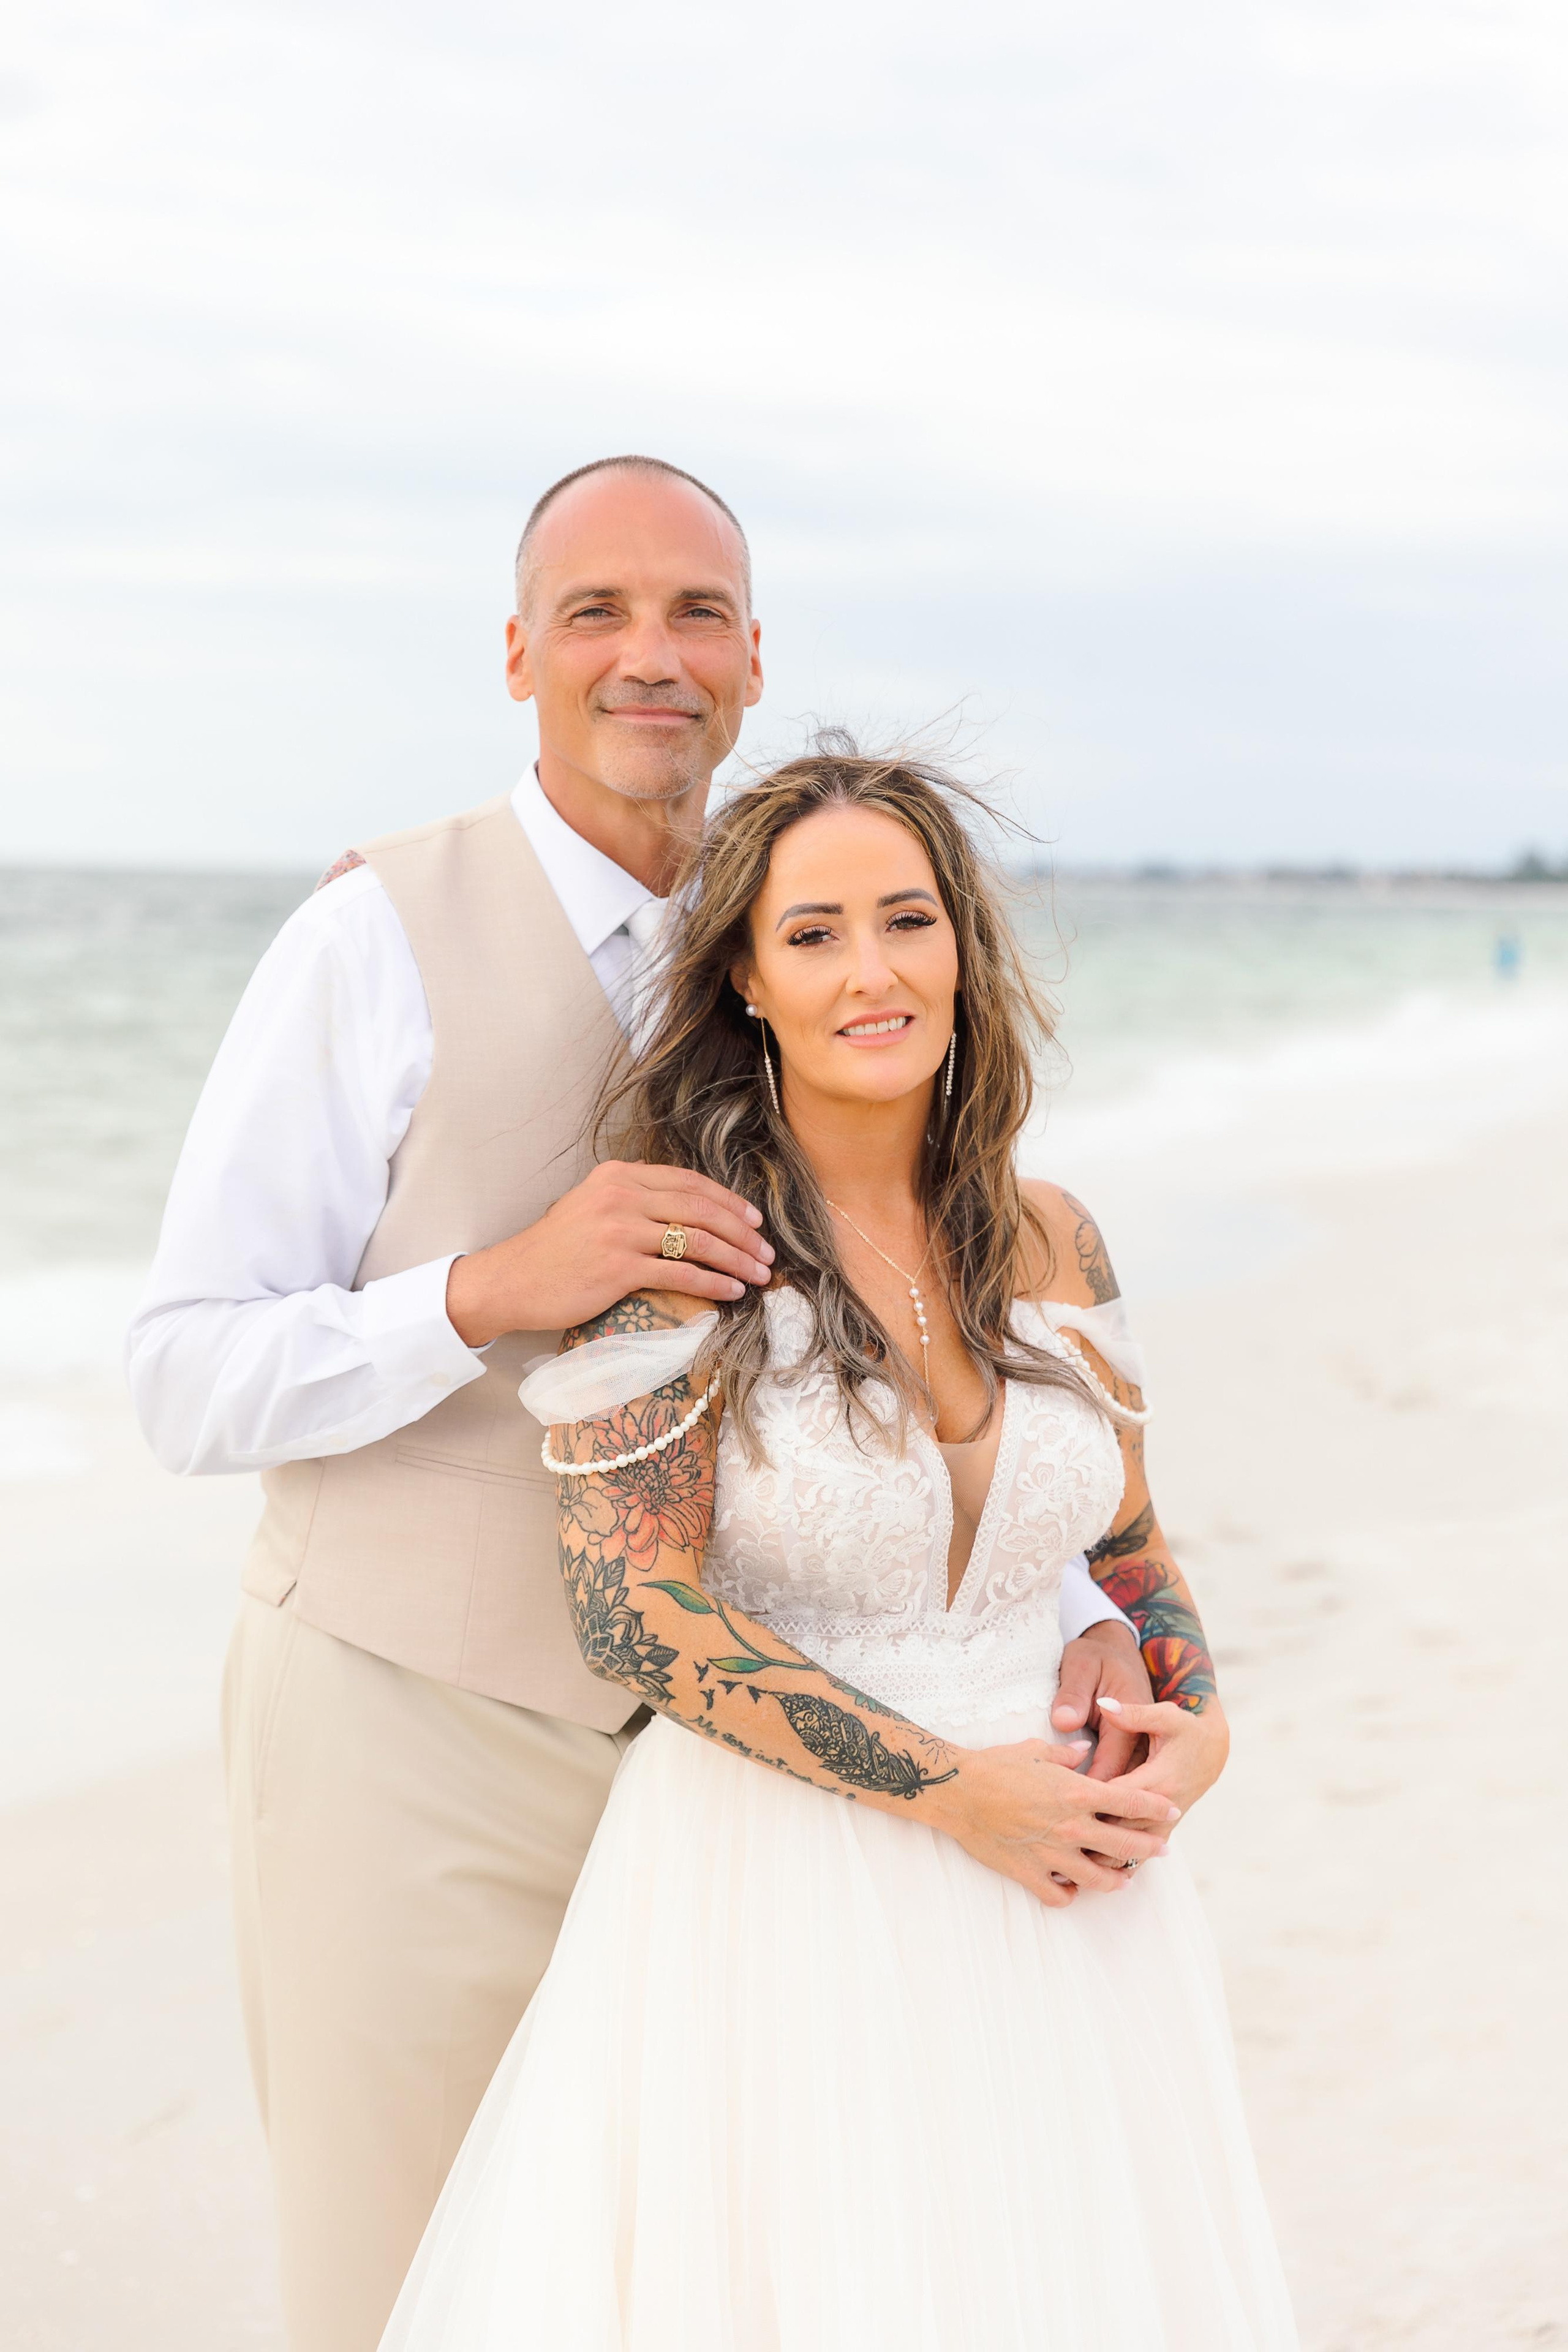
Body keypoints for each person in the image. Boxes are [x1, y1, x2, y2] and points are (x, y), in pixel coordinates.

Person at [127, 459, 1151, 2352]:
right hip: (414, 1730)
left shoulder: (814, 948)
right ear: (519, 654)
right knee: (414, 2281)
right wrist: (487, 1291)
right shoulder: (372, 935)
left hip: (755, 1775)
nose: (648, 655)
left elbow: (920, 1342)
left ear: (755, 660)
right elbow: (183, 1374)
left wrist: (1080, 1613)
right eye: (595, 611)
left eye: (694, 613)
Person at [377, 744, 1298, 2351]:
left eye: (907, 919)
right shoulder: (676, 1257)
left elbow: (1131, 1537)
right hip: (788, 1898)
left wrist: (1199, 1723)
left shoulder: (1052, 1231)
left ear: (963, 946)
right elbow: (630, 1612)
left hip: (1080, 1905)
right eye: (814, 934)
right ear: (744, 979)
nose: (872, 971)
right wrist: (960, 1792)